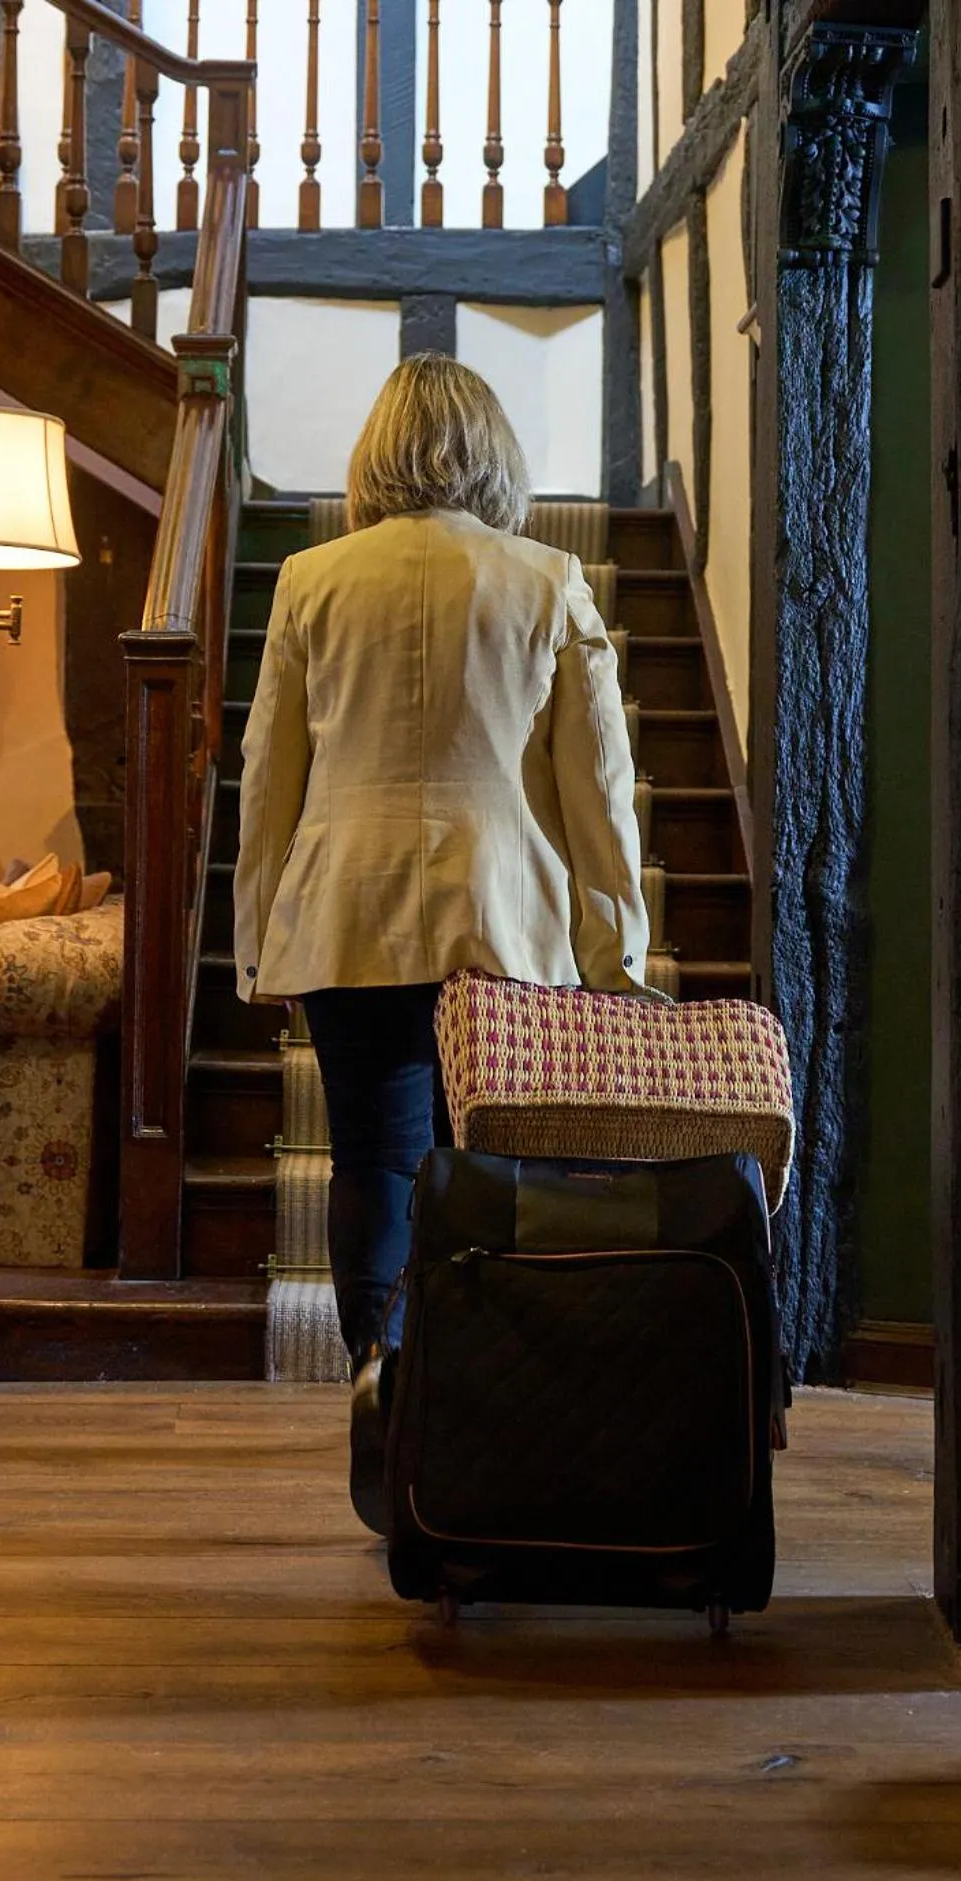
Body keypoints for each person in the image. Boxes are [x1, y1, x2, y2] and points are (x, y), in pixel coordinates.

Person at [233, 355, 652, 1531]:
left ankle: (379, 1371)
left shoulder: (311, 580)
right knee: (489, 1165)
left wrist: (258, 933)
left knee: (370, 1155)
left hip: (345, 903)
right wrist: (616, 944)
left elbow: (269, 776)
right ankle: (475, 1387)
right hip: (503, 916)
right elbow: (598, 787)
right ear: (492, 452)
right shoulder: (546, 577)